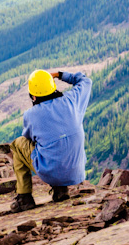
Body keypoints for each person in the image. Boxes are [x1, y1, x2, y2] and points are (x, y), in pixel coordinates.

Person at [9, 69, 92, 213]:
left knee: (18, 144)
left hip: (49, 172)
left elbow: (28, 138)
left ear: (33, 96)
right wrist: (60, 74)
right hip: (77, 171)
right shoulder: (71, 100)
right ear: (53, 87)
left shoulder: (31, 115)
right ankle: (61, 190)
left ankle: (24, 197)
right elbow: (85, 81)